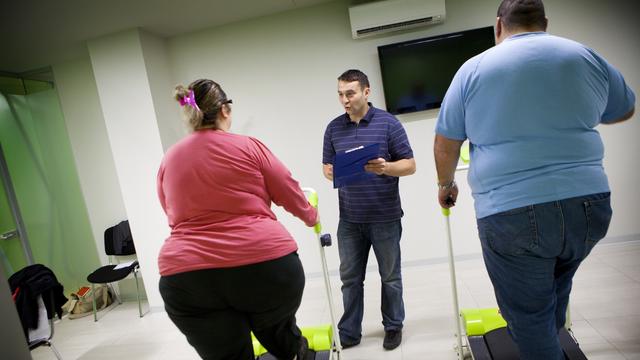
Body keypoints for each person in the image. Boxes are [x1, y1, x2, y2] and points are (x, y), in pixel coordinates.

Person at [434, 1, 635, 359]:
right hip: (588, 208)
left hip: (511, 213)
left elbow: (446, 142)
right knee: (556, 284)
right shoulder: (583, 55)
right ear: (545, 23)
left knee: (526, 317)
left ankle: (541, 341)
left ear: (499, 26)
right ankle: (548, 335)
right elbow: (624, 108)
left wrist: (445, 185)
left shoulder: (474, 69)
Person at [157, 79, 319, 360]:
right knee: (281, 338)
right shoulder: (250, 147)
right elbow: (287, 189)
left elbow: (170, 212)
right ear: (224, 110)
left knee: (227, 353)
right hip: (265, 269)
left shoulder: (169, 158)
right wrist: (310, 215)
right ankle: (292, 351)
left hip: (188, 278)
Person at [322, 69, 416, 350]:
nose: (344, 99)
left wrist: (386, 167)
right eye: (340, 94)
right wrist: (333, 172)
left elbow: (410, 165)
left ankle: (393, 326)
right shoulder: (333, 128)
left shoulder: (389, 123)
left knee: (390, 276)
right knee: (350, 279)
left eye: (349, 93)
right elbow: (327, 168)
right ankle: (349, 332)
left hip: (385, 216)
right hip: (349, 219)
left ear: (366, 91)